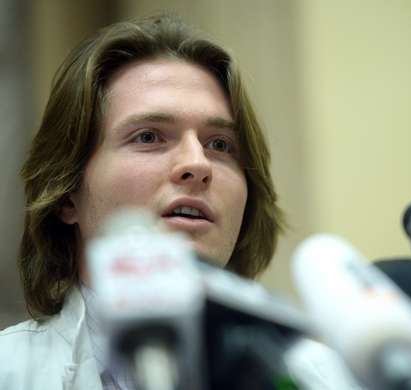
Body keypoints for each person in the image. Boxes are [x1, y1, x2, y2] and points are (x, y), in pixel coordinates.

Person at [0, 14, 284, 389]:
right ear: (67, 193)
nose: (197, 164)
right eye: (149, 137)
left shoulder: (315, 375)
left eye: (219, 144)